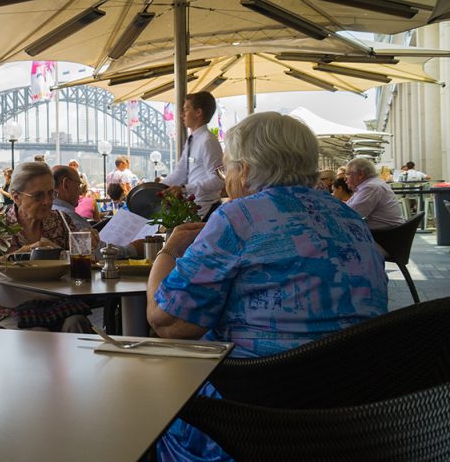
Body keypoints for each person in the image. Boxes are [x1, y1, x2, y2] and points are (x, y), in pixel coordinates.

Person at [146, 112, 388, 462]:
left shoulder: (238, 216)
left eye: (225, 168)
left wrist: (169, 250)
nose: (225, 177)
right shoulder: (348, 217)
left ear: (244, 170)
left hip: (254, 414)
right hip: (350, 409)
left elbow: (168, 322)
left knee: (150, 403)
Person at [0, 161, 95, 332]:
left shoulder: (61, 220)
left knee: (77, 323)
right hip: (13, 310)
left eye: (51, 193)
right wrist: (22, 252)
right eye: (38, 196)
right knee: (36, 335)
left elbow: (84, 266)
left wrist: (83, 248)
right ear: (16, 197)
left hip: (59, 306)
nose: (47, 201)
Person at [162, 92, 224, 219]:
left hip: (207, 210)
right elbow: (180, 173)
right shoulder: (193, 139)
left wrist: (185, 189)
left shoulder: (208, 141)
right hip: (194, 208)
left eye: (186, 109)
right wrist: (155, 188)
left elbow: (219, 180)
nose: (182, 114)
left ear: (198, 112)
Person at [345, 157, 405, 230]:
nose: (346, 181)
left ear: (361, 174)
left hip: (384, 234)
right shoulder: (371, 184)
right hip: (387, 230)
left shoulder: (371, 187)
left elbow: (350, 214)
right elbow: (349, 207)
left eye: (348, 175)